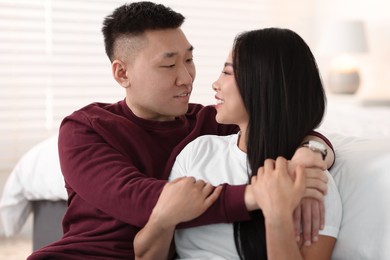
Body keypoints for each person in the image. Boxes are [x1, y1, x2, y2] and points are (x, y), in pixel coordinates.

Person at [27, 2, 335, 259]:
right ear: (122, 73)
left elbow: (276, 121)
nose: (187, 78)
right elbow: (141, 200)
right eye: (168, 65)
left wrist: (310, 153)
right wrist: (264, 194)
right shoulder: (85, 128)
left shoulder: (207, 123)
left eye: (189, 59)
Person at [134, 28, 342, 259]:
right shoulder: (198, 152)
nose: (215, 84)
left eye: (227, 72)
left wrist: (277, 215)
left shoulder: (312, 184)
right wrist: (163, 217)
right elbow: (146, 255)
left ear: (264, 83)